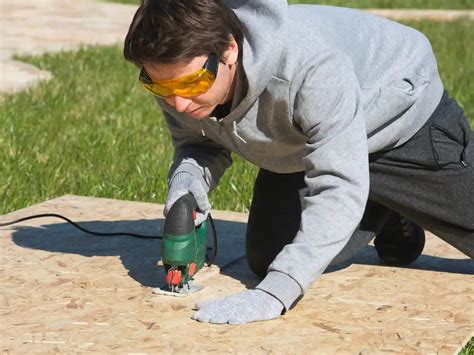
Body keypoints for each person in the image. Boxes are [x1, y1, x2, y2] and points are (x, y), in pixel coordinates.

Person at [123, 0, 474, 324]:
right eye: (159, 88)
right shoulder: (177, 78)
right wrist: (187, 183)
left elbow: (339, 183)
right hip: (310, 140)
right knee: (271, 259)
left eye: (192, 83)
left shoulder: (309, 66)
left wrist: (275, 296)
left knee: (290, 269)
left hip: (399, 120)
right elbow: (199, 143)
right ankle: (384, 212)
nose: (178, 104)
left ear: (229, 49)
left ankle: (392, 197)